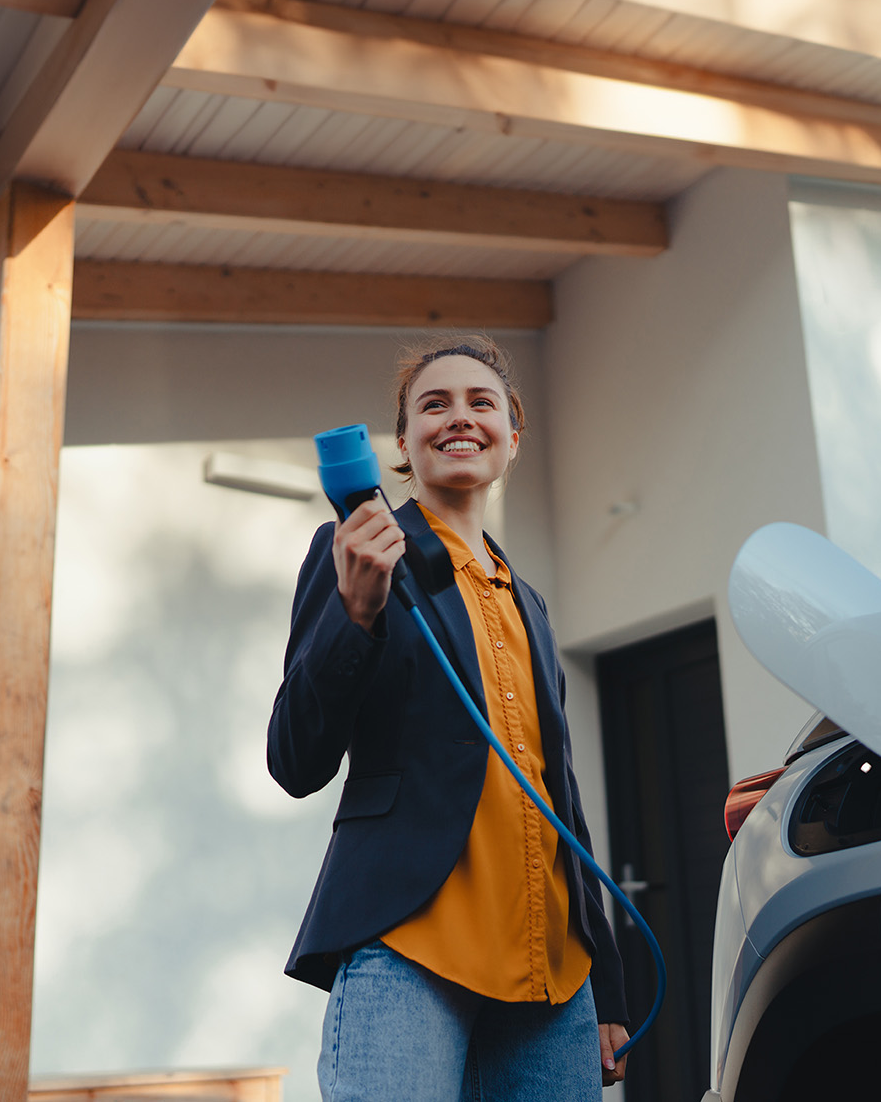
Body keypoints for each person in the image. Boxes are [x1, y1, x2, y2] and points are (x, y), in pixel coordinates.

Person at [268, 337, 630, 1101]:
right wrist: (356, 614)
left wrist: (610, 988)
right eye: (433, 404)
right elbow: (295, 758)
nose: (457, 416)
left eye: (480, 401)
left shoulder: (525, 599)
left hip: (554, 980)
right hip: (412, 951)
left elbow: (555, 792)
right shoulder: (352, 555)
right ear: (402, 442)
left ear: (512, 436)